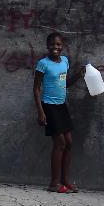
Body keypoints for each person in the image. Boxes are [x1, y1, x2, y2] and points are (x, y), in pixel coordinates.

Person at [33, 32, 85, 194]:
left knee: (69, 142)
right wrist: (41, 112)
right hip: (49, 106)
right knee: (60, 143)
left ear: (62, 46)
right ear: (47, 46)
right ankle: (54, 183)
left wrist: (78, 75)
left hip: (61, 106)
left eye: (58, 45)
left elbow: (65, 84)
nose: (55, 47)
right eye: (52, 45)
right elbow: (36, 88)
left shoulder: (65, 61)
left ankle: (65, 181)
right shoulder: (43, 64)